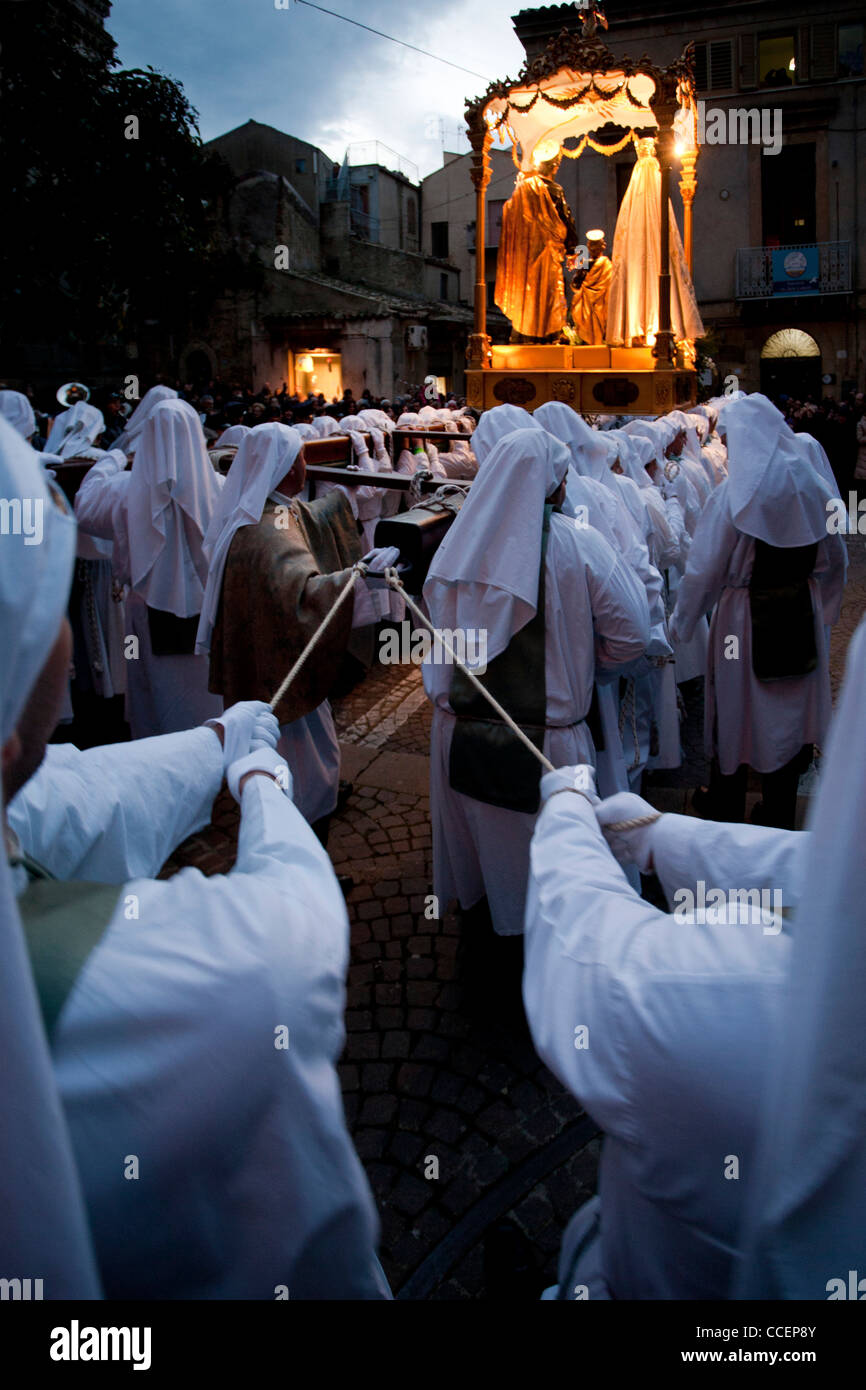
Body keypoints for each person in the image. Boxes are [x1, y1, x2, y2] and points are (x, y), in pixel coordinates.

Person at [2, 424, 389, 1300]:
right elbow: (285, 946)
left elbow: (70, 795)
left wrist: (213, 740)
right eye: (46, 612)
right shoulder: (162, 991)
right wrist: (257, 784)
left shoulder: (25, 792)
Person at [423, 427, 650, 939]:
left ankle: (484, 939)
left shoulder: (456, 544)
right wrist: (589, 669)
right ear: (553, 486)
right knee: (554, 874)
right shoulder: (580, 542)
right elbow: (632, 634)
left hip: (459, 733)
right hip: (549, 741)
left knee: (481, 857)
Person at [196, 423, 396, 830]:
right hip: (284, 680)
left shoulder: (258, 515)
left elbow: (309, 515)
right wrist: (361, 577)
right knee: (307, 772)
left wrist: (343, 497)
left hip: (260, 669)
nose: (307, 465)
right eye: (303, 458)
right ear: (289, 468)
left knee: (289, 766)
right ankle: (303, 858)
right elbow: (307, 597)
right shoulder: (271, 535)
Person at [670, 393, 847, 828]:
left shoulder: (733, 497)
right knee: (790, 711)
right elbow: (835, 556)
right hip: (799, 614)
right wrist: (821, 607)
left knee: (737, 707)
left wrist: (683, 624)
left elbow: (703, 572)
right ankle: (779, 810)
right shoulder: (813, 485)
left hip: (741, 621)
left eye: (729, 440)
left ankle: (727, 801)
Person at [74, 398, 223, 738]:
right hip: (207, 608)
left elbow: (84, 507)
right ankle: (210, 751)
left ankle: (158, 754)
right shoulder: (219, 485)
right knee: (203, 693)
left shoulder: (123, 489)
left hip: (146, 608)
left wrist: (111, 459)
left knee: (151, 693)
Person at [605, 136, 704, 358]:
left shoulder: (635, 204)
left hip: (646, 245)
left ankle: (639, 328)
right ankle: (649, 328)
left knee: (645, 269)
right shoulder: (651, 199)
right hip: (651, 243)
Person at [494, 141, 578, 341]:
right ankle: (552, 333)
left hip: (524, 258)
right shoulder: (554, 190)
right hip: (548, 254)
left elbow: (509, 215)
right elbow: (567, 225)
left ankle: (522, 333)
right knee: (550, 294)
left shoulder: (521, 190)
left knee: (527, 295)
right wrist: (577, 254)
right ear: (555, 167)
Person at [571, 230, 613, 346]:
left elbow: (575, 284)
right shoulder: (606, 265)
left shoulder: (602, 265)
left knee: (592, 326)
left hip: (594, 305)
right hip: (596, 306)